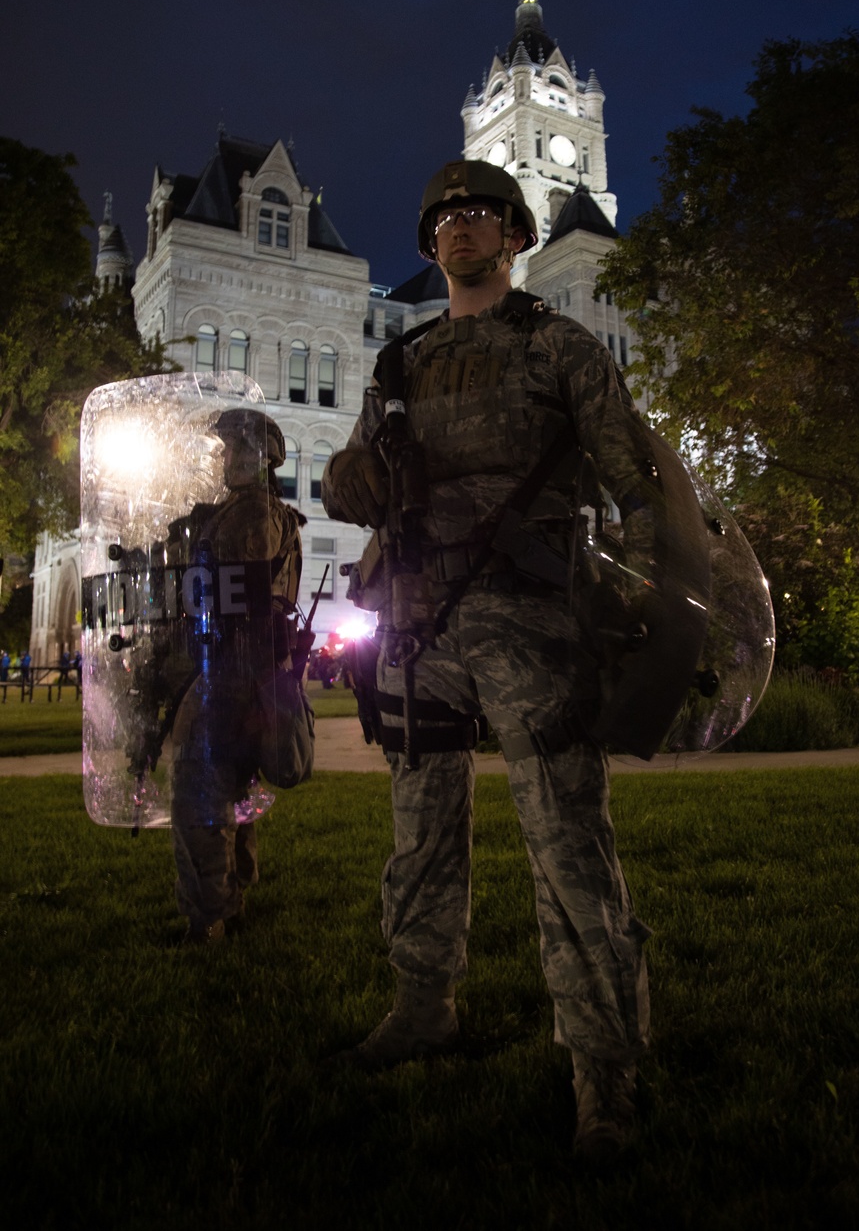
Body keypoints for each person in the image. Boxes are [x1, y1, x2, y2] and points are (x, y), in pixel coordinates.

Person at [322, 159, 662, 1158]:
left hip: (533, 623)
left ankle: (603, 1067)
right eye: (445, 220)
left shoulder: (561, 348)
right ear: (430, 242)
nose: (461, 231)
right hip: (419, 627)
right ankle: (423, 1005)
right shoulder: (402, 363)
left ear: (512, 236)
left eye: (480, 215)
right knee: (418, 829)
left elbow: (633, 481)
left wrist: (642, 597)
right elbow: (351, 481)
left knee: (567, 841)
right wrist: (355, 477)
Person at [167, 409, 304, 944]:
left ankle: (211, 915)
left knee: (196, 791)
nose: (225, 459)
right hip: (241, 669)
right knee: (231, 789)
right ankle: (233, 896)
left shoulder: (253, 516)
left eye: (234, 449)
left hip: (232, 668)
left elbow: (240, 596)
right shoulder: (247, 512)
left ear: (261, 456)